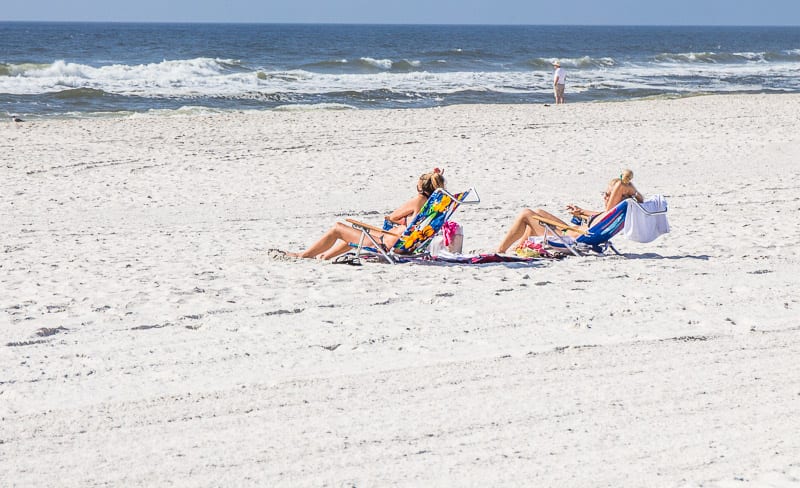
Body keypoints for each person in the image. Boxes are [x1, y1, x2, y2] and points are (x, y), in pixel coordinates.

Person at [289, 169, 447, 260]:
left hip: (386, 243)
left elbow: (391, 218)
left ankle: (303, 255)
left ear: (420, 186)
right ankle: (324, 257)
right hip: (406, 246)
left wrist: (401, 221)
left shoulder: (418, 200)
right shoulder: (433, 206)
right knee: (354, 234)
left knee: (338, 228)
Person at [496, 169, 643, 254]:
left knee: (526, 214)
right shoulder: (609, 216)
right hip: (570, 232)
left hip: (568, 238)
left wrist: (626, 185)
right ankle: (518, 248)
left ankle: (500, 250)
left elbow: (621, 185)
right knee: (539, 212)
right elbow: (596, 215)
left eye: (608, 194)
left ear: (618, 195)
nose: (604, 196)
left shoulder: (610, 211)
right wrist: (580, 212)